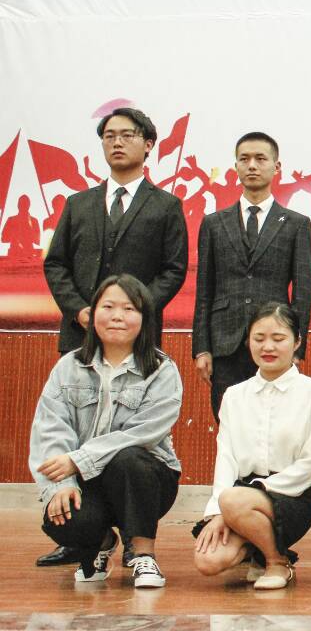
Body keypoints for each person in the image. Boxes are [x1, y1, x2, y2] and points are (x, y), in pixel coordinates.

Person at [39, 109, 187, 569]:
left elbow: (173, 270)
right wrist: (82, 310)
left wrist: (132, 314)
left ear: (149, 144)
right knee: (77, 422)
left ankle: (135, 537)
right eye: (109, 136)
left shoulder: (166, 206)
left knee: (130, 450)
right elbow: (56, 264)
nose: (117, 142)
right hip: (81, 336)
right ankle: (88, 537)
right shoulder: (78, 203)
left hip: (136, 345)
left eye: (127, 135)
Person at [29, 275, 182, 588]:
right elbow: (50, 429)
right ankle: (101, 544)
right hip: (86, 480)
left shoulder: (161, 369)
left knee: (128, 458)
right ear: (92, 313)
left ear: (144, 318)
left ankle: (143, 554)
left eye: (129, 309)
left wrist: (79, 459)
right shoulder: (68, 366)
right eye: (108, 307)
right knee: (63, 517)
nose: (117, 316)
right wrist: (61, 485)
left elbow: (144, 433)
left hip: (146, 480)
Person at [192, 303, 311, 590]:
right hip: (238, 496)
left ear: (297, 342)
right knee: (208, 561)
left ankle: (276, 562)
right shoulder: (233, 395)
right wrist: (218, 512)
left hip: (292, 494)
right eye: (259, 338)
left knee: (235, 500)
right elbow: (226, 456)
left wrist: (248, 495)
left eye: (278, 339)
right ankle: (255, 547)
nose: (268, 347)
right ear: (248, 342)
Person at [193, 132, 311, 418]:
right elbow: (204, 290)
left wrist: (297, 348)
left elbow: (303, 293)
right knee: (229, 423)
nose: (252, 165)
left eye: (261, 159)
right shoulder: (213, 223)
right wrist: (202, 348)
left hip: (276, 341)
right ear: (235, 166)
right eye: (244, 159)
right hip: (225, 344)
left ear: (276, 167)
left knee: (276, 422)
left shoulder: (296, 224)